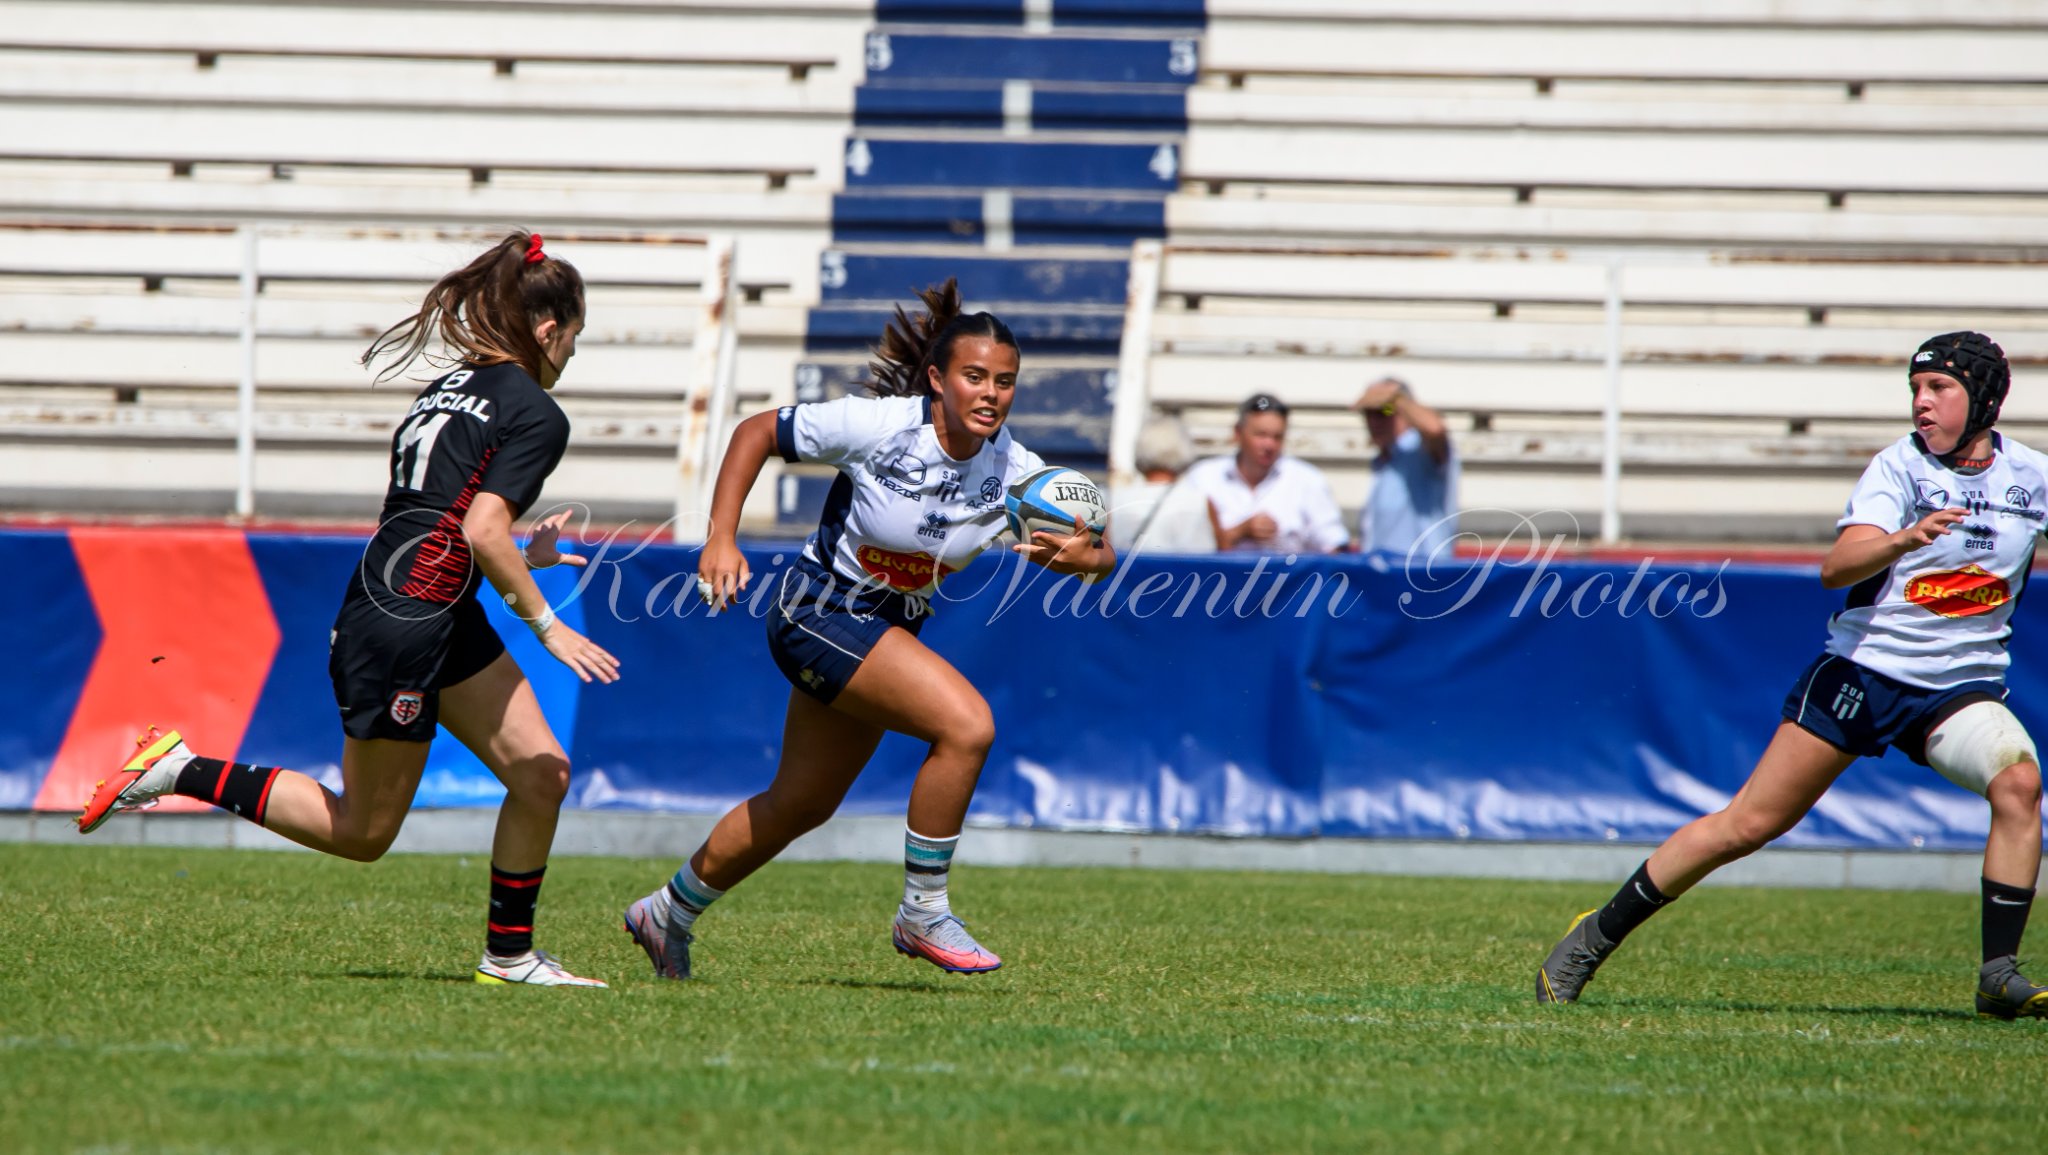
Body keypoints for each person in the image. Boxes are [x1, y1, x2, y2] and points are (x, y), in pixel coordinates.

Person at [77, 231, 620, 988]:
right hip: (408, 620)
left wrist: (526, 560)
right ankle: (178, 767)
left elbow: (438, 516)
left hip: (426, 605)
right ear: (548, 329)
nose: (571, 357)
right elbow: (477, 525)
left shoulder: (446, 389)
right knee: (364, 831)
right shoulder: (536, 411)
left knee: (542, 773)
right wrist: (546, 622)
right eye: (576, 340)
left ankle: (510, 957)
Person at [1537, 332, 2048, 1020]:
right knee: (1746, 825)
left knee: (2019, 783)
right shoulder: (1896, 469)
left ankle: (1998, 976)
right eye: (1916, 389)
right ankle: (1591, 936)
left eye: (1939, 389)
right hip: (1864, 674)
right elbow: (1836, 569)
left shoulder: (2031, 478)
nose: (1922, 403)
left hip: (1958, 690)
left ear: (1985, 397)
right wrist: (1902, 538)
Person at [621, 279, 1114, 980]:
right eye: (974, 376)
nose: (991, 393)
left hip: (885, 627)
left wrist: (1085, 557)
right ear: (938, 379)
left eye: (1005, 381)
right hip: (818, 610)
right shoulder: (879, 425)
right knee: (967, 725)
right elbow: (756, 431)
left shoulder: (1019, 473)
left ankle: (667, 909)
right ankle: (923, 911)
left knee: (803, 802)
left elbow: (1101, 550)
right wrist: (720, 538)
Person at [1178, 393, 1348, 554]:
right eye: (1261, 435)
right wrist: (1240, 531)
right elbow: (1183, 545)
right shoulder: (1203, 478)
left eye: (1277, 437)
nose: (1269, 445)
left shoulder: (1307, 480)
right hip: (1218, 583)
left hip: (1287, 583)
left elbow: (1334, 545)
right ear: (1238, 433)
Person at [1352, 376, 1457, 560]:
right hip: (1387, 580)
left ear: (1404, 412)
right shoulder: (1384, 463)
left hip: (1422, 578)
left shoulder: (1420, 451)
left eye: (1384, 411)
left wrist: (1396, 399)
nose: (1374, 422)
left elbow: (1435, 429)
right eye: (1368, 413)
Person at [1108, 414, 1215, 555]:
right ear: (1183, 449)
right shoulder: (1199, 501)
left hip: (1128, 576)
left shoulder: (1114, 500)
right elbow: (1218, 556)